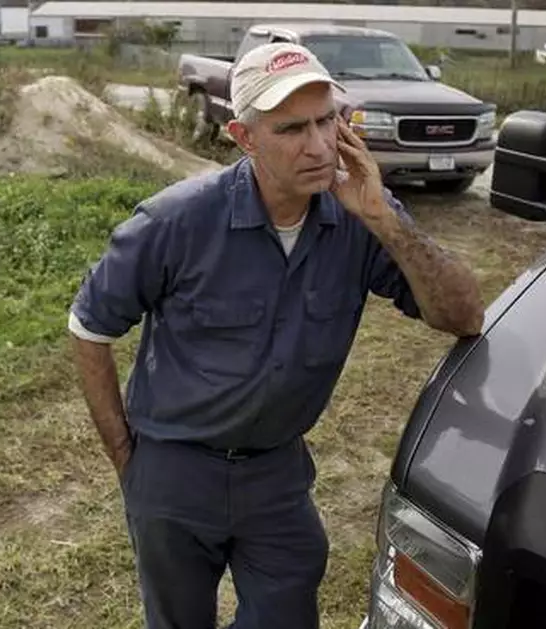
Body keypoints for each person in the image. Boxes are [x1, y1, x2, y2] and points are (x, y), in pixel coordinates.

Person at [67, 42, 484, 629]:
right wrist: (127, 460)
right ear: (244, 137)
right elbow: (88, 327)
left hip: (277, 476)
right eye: (291, 129)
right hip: (174, 472)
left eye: (327, 121)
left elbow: (463, 315)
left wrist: (384, 219)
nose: (317, 146)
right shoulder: (175, 222)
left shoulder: (361, 221)